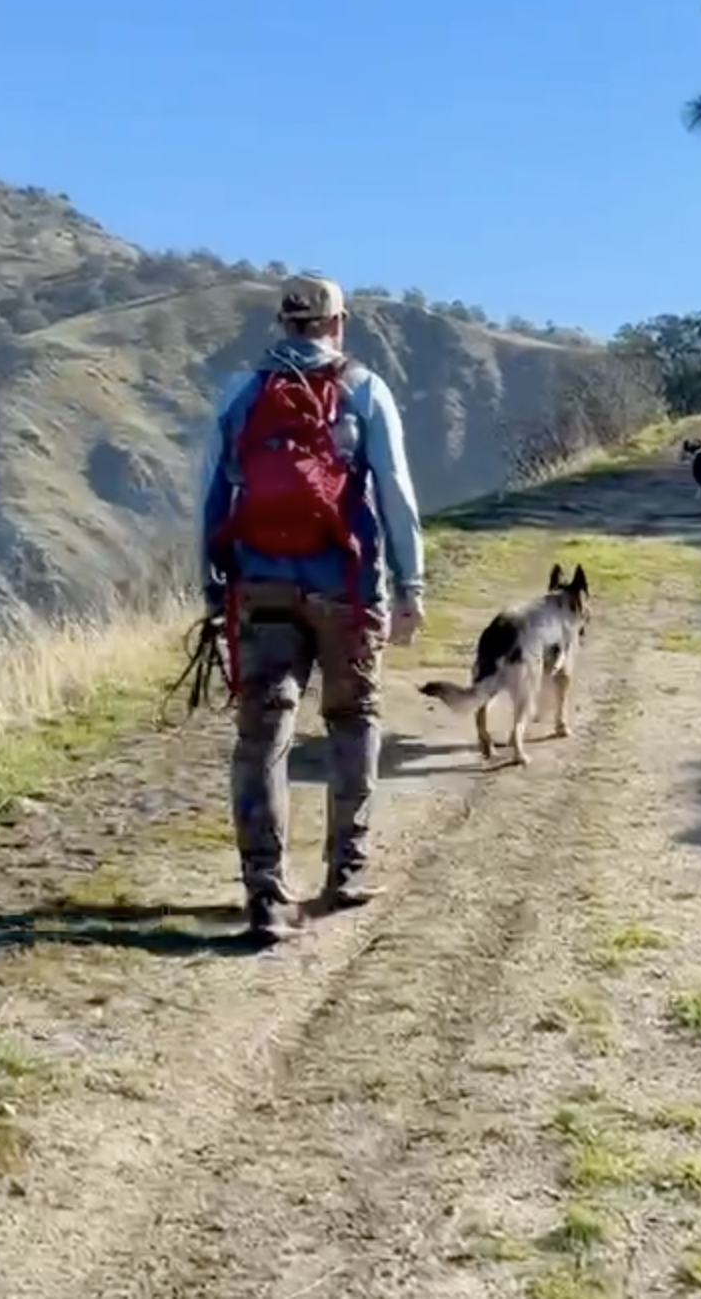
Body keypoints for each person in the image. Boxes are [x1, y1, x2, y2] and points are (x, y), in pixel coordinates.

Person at [196, 274, 426, 940]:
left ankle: (266, 896)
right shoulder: (365, 390)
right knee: (352, 719)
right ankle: (344, 873)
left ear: (282, 322)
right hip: (346, 590)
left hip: (259, 587)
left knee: (262, 737)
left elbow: (210, 496)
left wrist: (213, 585)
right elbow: (397, 498)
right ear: (339, 322)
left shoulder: (239, 393)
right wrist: (411, 588)